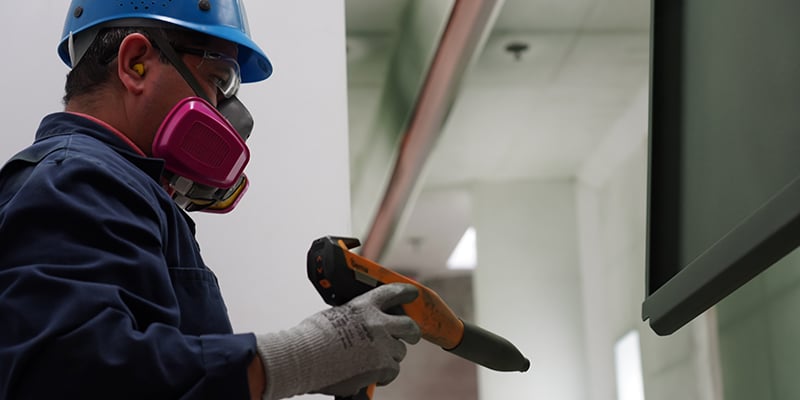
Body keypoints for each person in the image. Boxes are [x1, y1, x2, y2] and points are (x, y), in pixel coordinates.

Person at [0, 1, 421, 399]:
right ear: (135, 64)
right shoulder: (76, 181)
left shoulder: (121, 190)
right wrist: (301, 357)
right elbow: (70, 374)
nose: (225, 113)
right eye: (219, 81)